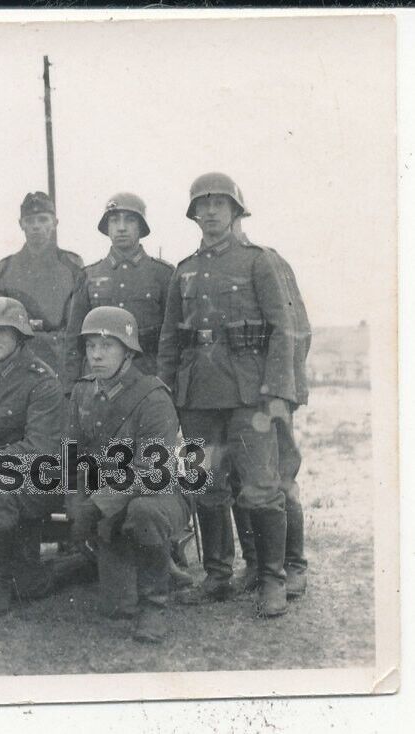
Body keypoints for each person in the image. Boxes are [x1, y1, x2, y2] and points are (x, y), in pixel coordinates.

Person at [156, 172, 296, 617]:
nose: (211, 211)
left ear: (236, 210)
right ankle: (217, 575)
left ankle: (272, 579)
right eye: (203, 204)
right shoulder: (184, 271)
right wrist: (168, 395)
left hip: (249, 396)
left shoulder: (259, 262)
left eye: (220, 203)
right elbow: (169, 341)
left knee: (260, 488)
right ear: (193, 213)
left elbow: (282, 329)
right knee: (208, 488)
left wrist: (275, 391)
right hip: (197, 397)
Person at [68, 307, 189, 643]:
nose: (96, 355)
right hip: (108, 498)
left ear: (128, 351)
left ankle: (155, 606)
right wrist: (78, 503)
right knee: (116, 606)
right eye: (91, 346)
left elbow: (152, 471)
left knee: (144, 513)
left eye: (107, 346)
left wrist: (97, 506)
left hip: (158, 496)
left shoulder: (153, 397)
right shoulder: (82, 392)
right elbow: (73, 454)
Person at [0, 297, 65, 617]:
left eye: (1, 332)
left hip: (40, 477)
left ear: (19, 335)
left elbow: (39, 447)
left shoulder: (41, 380)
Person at [230, 218, 312, 600]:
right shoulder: (215, 266)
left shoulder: (268, 262)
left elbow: (295, 330)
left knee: (279, 476)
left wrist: (281, 391)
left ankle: (293, 566)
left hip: (270, 393)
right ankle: (255, 564)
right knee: (239, 479)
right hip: (237, 393)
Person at [64, 192, 173, 381]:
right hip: (99, 376)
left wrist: (165, 379)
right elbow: (74, 337)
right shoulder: (89, 275)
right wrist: (70, 386)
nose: (121, 228)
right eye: (114, 221)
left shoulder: (163, 274)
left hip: (147, 373)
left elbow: (171, 337)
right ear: (107, 228)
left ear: (141, 227)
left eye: (130, 220)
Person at [0, 192, 84, 372]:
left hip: (60, 360)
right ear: (21, 224)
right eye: (30, 220)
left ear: (55, 223)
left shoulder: (72, 265)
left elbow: (76, 323)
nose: (36, 226)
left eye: (43, 220)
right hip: (17, 360)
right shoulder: (6, 268)